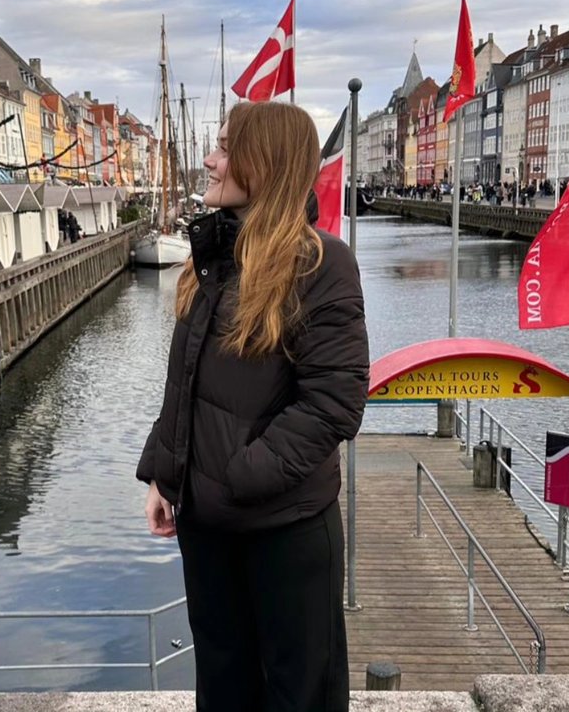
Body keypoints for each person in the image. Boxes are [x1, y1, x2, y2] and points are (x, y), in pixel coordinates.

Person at [137, 101, 370, 712]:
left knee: (301, 696)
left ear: (261, 164)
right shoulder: (214, 258)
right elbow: (185, 383)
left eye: (223, 148)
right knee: (222, 688)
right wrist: (165, 474)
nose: (209, 160)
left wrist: (238, 477)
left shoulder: (322, 265)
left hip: (283, 529)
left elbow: (334, 404)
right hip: (207, 527)